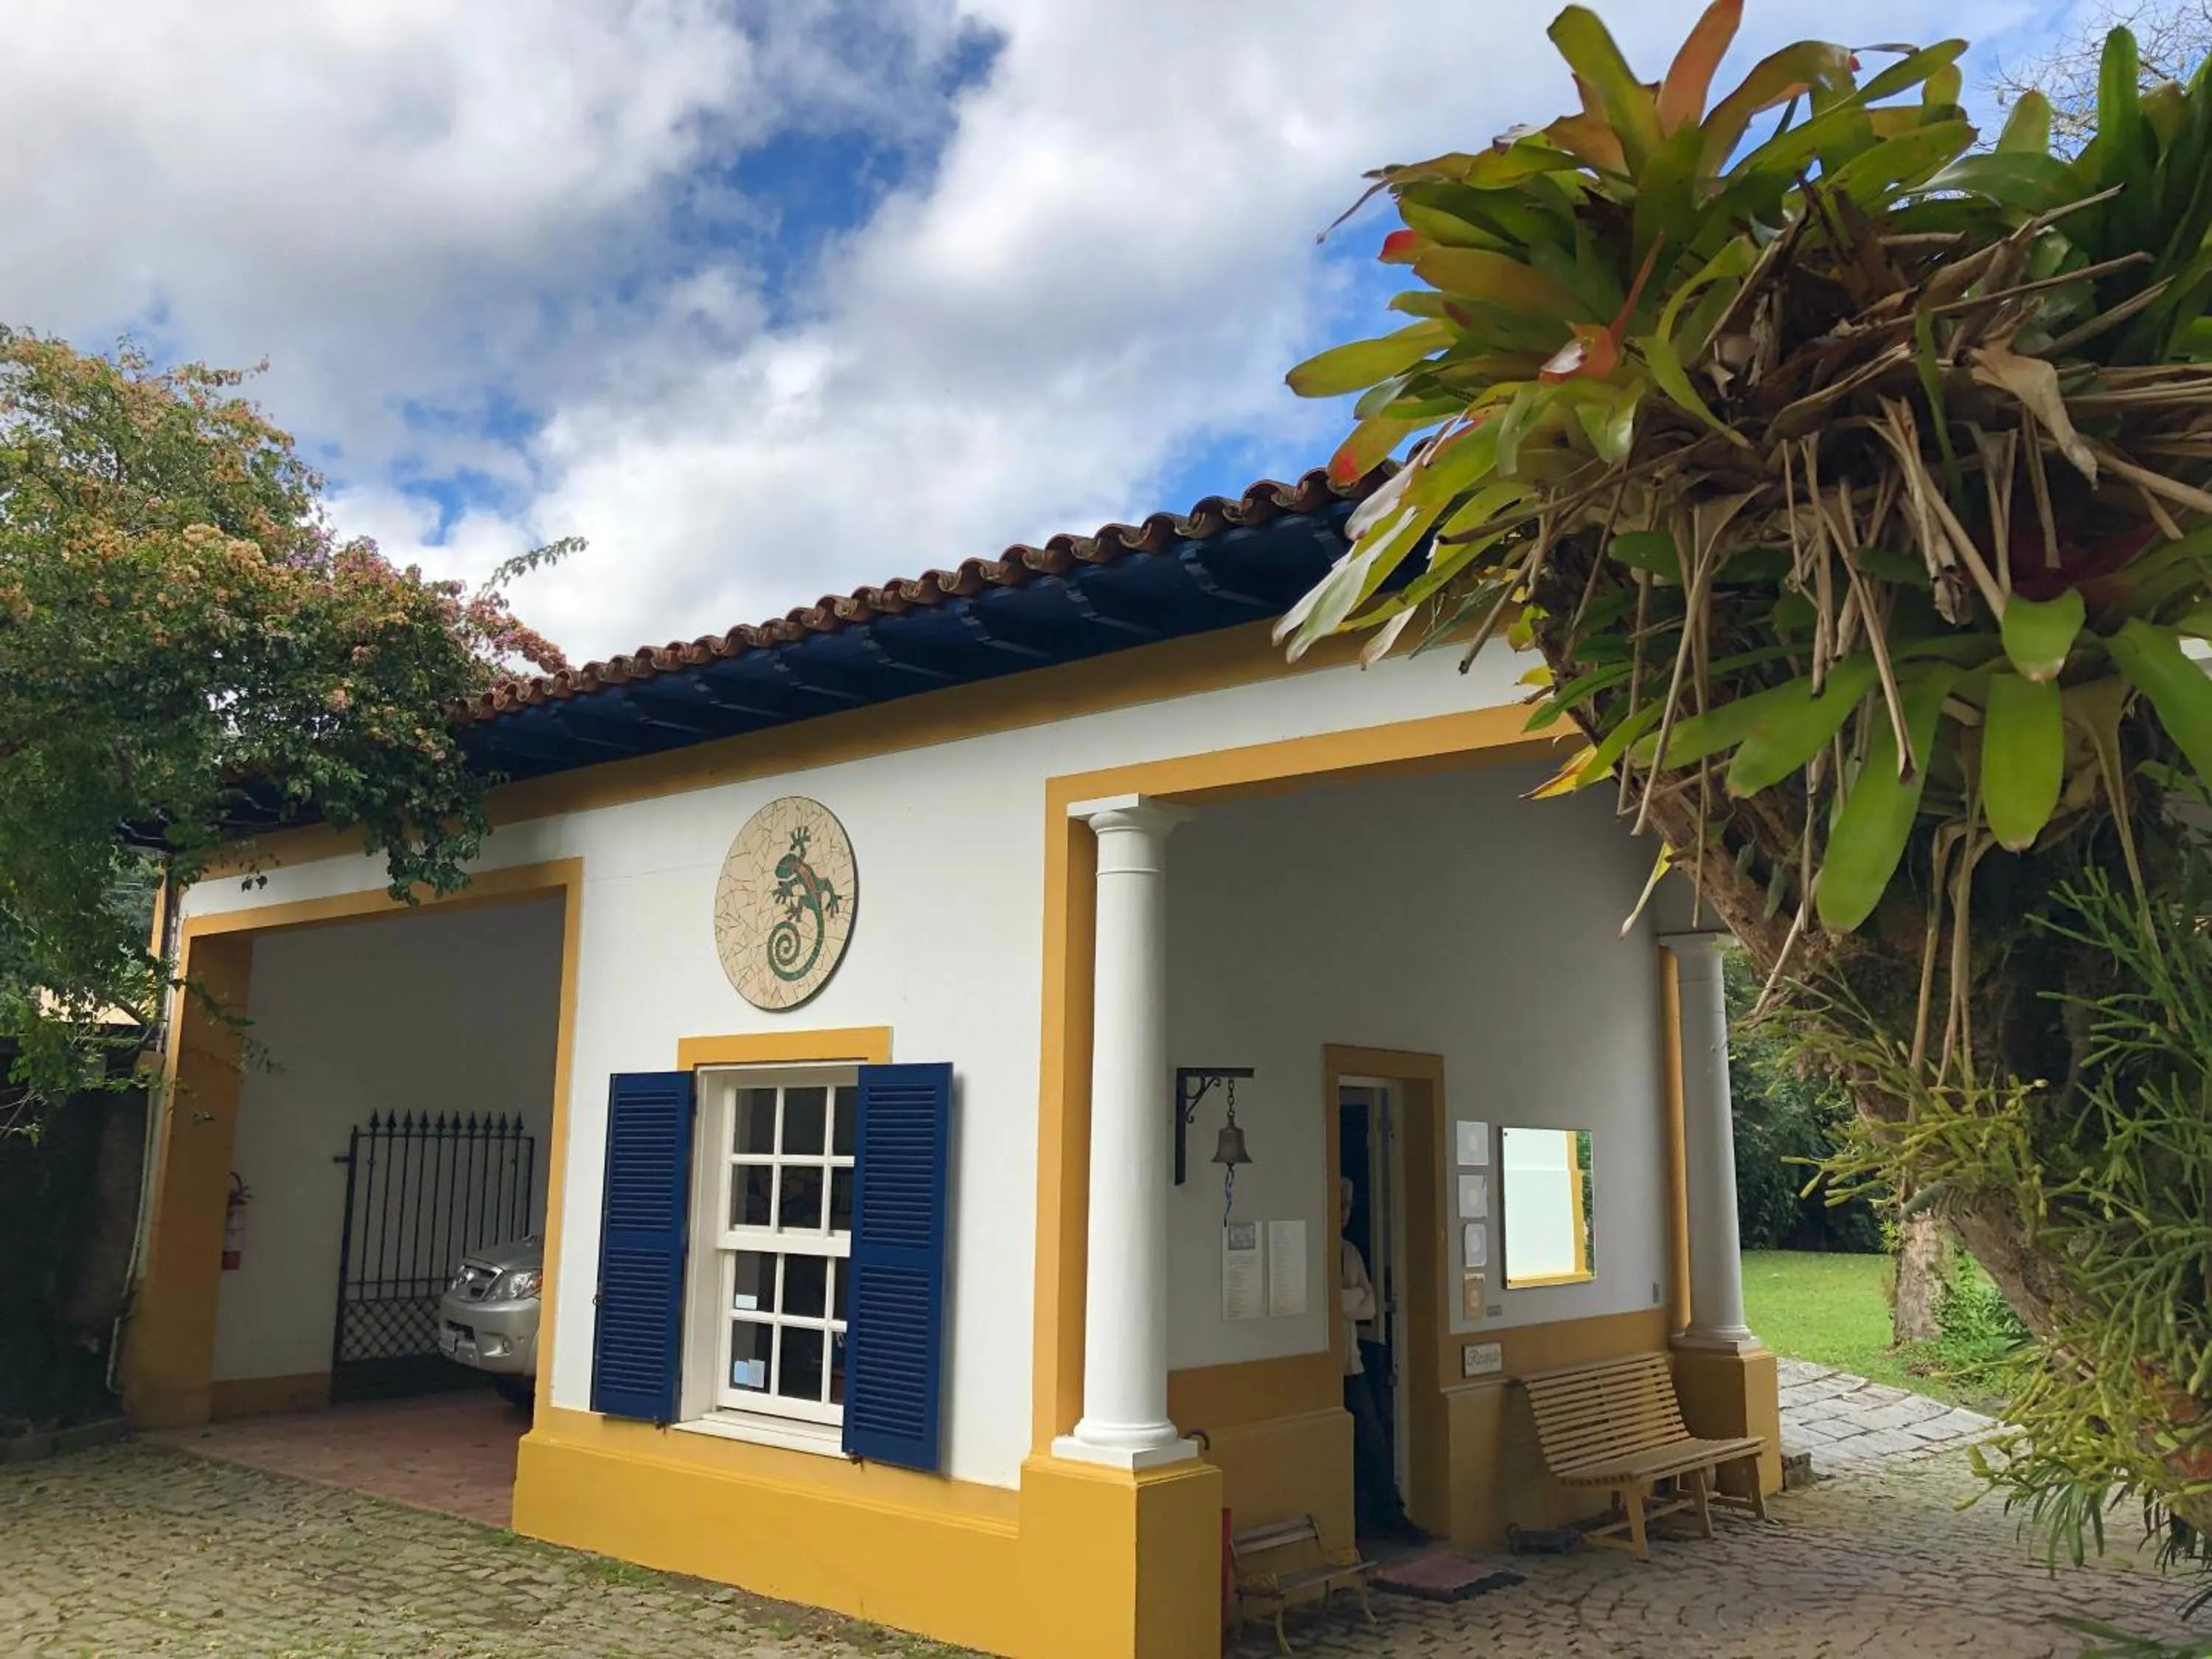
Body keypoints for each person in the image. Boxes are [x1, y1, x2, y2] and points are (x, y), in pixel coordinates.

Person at [1340, 1177, 1424, 1542]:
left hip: (1351, 1364)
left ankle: (1388, 1515)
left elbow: (1370, 1306)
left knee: (1372, 1442)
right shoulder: (1323, 1250)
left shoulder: (1349, 1252)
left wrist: (1347, 1300)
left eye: (1348, 1207)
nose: (1344, 1214)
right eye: (1339, 1206)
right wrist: (1351, 1297)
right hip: (1322, 1369)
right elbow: (1329, 1300)